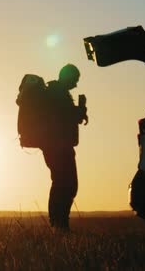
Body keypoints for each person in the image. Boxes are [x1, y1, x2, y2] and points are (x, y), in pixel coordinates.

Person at [42, 64, 88, 230]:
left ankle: (59, 224)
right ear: (67, 77)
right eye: (75, 80)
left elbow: (66, 116)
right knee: (65, 184)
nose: (76, 84)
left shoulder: (57, 92)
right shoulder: (57, 93)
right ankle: (59, 224)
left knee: (63, 183)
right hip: (58, 146)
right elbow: (65, 116)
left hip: (58, 145)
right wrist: (81, 109)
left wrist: (80, 111)